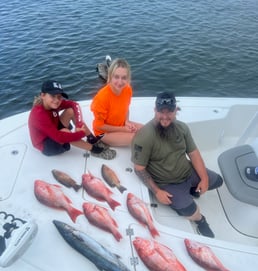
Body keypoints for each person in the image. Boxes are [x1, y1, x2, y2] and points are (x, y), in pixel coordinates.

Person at [131, 91, 223, 238]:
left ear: (176, 111)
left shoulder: (183, 128)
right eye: (161, 111)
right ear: (155, 110)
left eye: (170, 112)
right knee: (191, 211)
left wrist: (204, 179)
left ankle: (192, 190)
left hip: (187, 172)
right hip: (168, 183)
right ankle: (201, 221)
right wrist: (157, 192)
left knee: (218, 181)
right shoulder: (144, 136)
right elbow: (139, 168)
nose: (165, 117)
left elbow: (193, 153)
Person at [28, 80, 116, 159]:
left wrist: (78, 125)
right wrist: (80, 133)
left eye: (59, 96)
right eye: (53, 96)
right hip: (46, 145)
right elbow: (59, 137)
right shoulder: (39, 115)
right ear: (42, 95)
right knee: (65, 132)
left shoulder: (51, 103)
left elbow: (75, 105)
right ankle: (95, 150)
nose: (56, 100)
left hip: (53, 129)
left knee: (70, 111)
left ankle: (91, 139)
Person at [91, 58, 143, 146]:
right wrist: (123, 129)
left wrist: (126, 121)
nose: (120, 82)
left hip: (121, 124)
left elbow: (126, 109)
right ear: (110, 76)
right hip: (103, 133)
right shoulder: (102, 98)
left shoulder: (127, 89)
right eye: (116, 77)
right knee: (138, 139)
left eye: (124, 78)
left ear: (128, 78)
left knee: (149, 131)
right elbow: (98, 126)